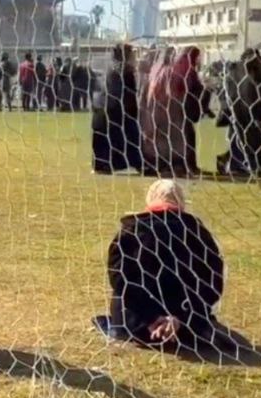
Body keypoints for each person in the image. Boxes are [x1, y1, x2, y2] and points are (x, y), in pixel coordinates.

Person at [94, 180, 236, 352]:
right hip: (188, 327)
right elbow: (212, 283)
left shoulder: (132, 231)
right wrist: (180, 318)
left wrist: (150, 318)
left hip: (137, 325)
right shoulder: (198, 235)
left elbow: (120, 280)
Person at [141, 45, 205, 177]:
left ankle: (161, 165)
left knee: (158, 139)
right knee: (173, 140)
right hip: (168, 111)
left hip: (155, 110)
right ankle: (174, 166)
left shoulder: (155, 70)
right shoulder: (169, 72)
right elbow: (172, 92)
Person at [216, 48, 261, 176]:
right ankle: (247, 166)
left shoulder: (235, 72)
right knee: (251, 141)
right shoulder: (250, 73)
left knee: (242, 140)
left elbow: (225, 92)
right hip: (248, 113)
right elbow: (256, 95)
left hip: (239, 113)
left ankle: (237, 162)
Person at [91, 44, 142, 174]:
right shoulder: (124, 70)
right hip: (114, 110)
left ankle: (102, 165)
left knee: (106, 140)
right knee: (127, 137)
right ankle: (136, 163)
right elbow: (127, 95)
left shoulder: (112, 67)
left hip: (103, 108)